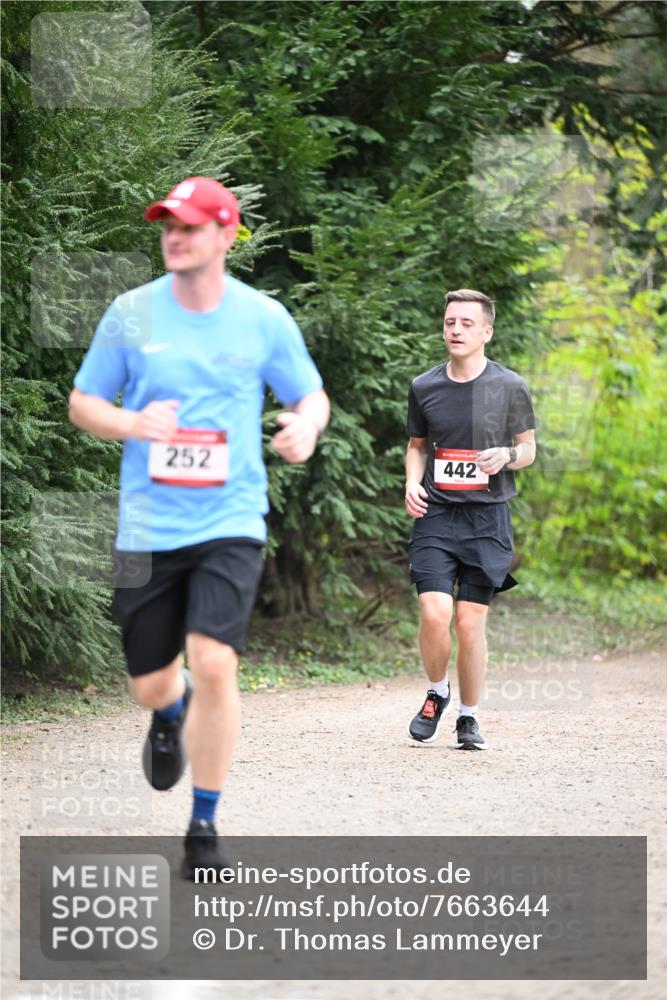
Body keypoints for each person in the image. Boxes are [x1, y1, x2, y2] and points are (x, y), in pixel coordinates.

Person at [69, 176, 329, 877]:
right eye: (166, 226)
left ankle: (204, 824)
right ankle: (166, 710)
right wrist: (130, 422)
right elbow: (84, 402)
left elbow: (310, 394)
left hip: (230, 517)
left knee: (215, 661)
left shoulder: (262, 318)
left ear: (225, 234)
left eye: (188, 225)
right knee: (153, 684)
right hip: (147, 523)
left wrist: (304, 425)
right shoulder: (133, 312)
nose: (173, 236)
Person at [405, 288, 535, 750]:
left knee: (468, 622)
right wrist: (411, 482)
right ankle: (437, 692)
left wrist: (508, 453)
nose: (455, 330)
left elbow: (529, 449)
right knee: (434, 612)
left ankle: (469, 717)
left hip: (487, 520)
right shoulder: (425, 386)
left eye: (465, 323)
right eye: (449, 322)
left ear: (487, 332)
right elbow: (418, 446)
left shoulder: (510, 386)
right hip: (437, 514)